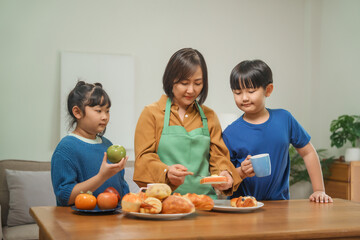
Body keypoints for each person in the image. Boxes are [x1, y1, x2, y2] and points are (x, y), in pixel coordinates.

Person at [133, 48, 241, 199]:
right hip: (164, 203)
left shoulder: (209, 116)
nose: (191, 90)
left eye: (198, 83)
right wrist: (166, 172)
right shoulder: (151, 113)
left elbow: (218, 157)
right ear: (171, 80)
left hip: (205, 203)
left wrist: (223, 173)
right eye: (184, 83)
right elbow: (143, 159)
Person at [223, 59, 333, 203]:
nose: (244, 98)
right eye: (237, 92)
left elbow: (308, 152)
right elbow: (225, 178)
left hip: (280, 205)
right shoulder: (230, 133)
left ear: (268, 90)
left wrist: (319, 190)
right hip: (242, 208)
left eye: (251, 91)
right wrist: (241, 172)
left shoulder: (284, 119)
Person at [51, 81, 129, 206]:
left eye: (107, 111)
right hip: (80, 223)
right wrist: (101, 177)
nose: (105, 117)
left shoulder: (108, 145)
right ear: (77, 112)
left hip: (113, 220)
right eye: (98, 111)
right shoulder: (66, 148)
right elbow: (65, 196)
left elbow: (122, 186)